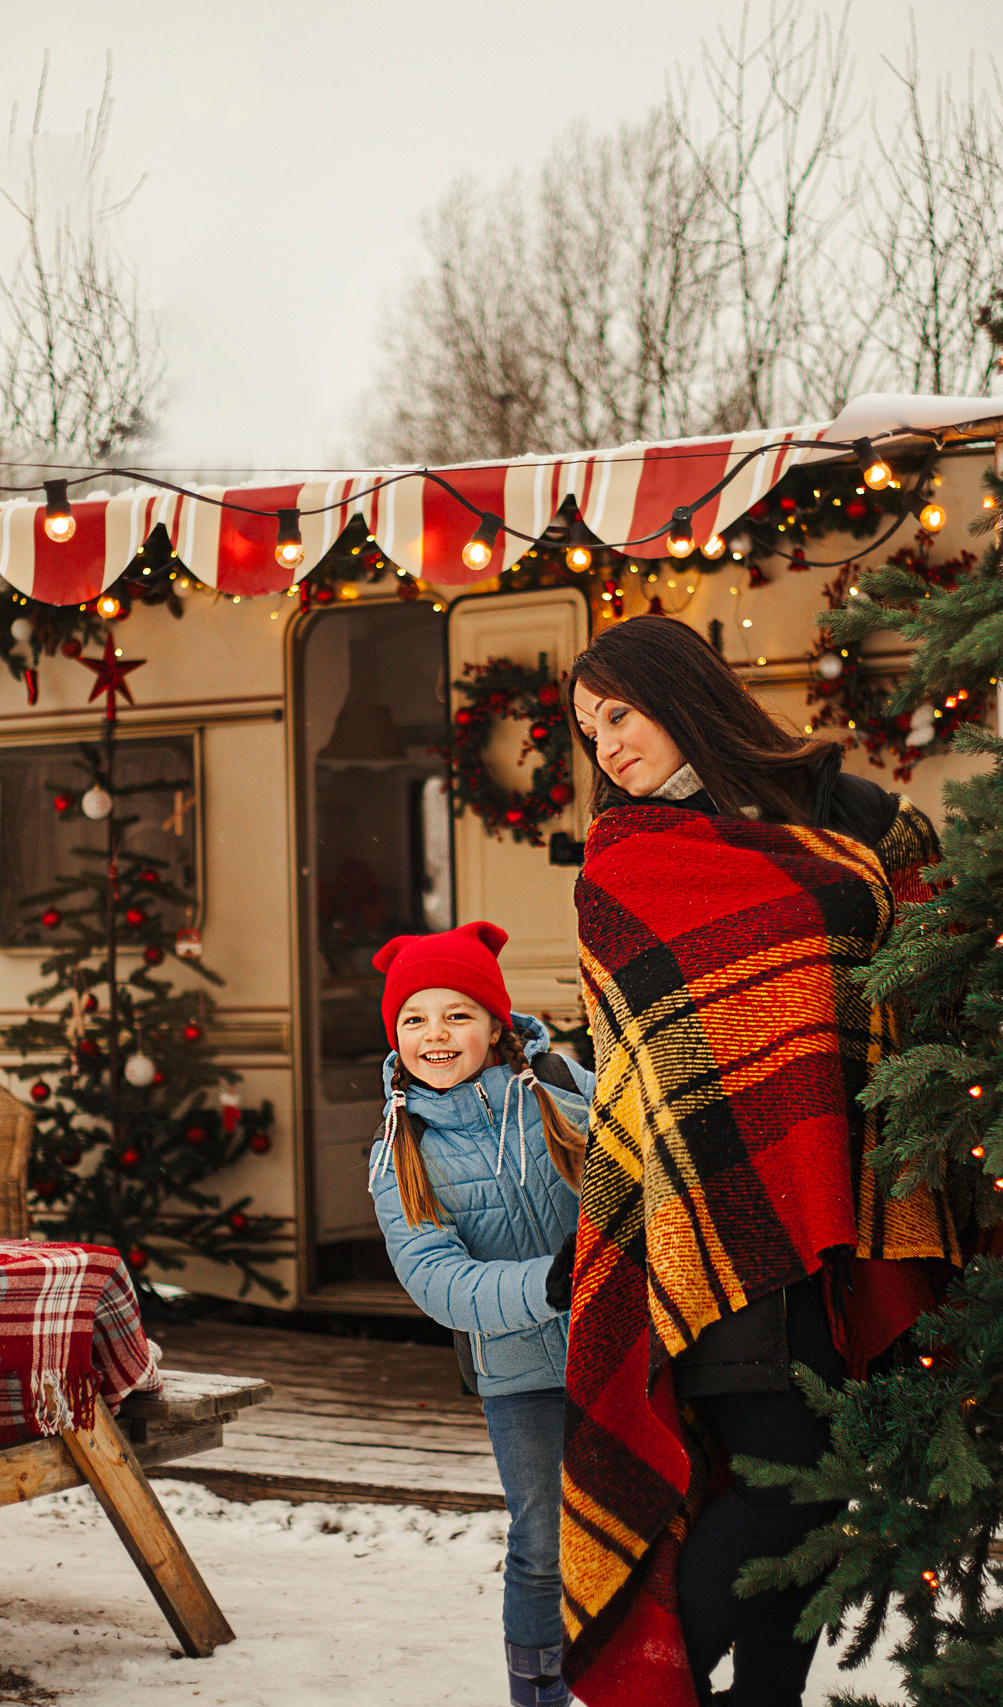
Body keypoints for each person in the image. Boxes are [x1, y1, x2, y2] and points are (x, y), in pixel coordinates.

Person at [555, 615, 958, 1707]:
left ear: (684, 697)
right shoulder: (625, 869)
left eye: (619, 715)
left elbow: (928, 954)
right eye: (589, 731)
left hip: (854, 1196)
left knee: (817, 1492)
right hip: (715, 1212)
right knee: (794, 1484)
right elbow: (652, 1064)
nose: (606, 747)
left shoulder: (845, 812)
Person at [366, 920, 594, 1707]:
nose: (437, 1034)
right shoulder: (403, 1148)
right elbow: (437, 1280)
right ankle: (538, 1695)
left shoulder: (562, 1089)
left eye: (458, 1013)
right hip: (520, 1374)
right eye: (415, 1019)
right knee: (541, 1543)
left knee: (651, 1513)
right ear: (397, 1036)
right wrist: (547, 1285)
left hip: (622, 1348)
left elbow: (643, 1168)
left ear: (496, 1022)